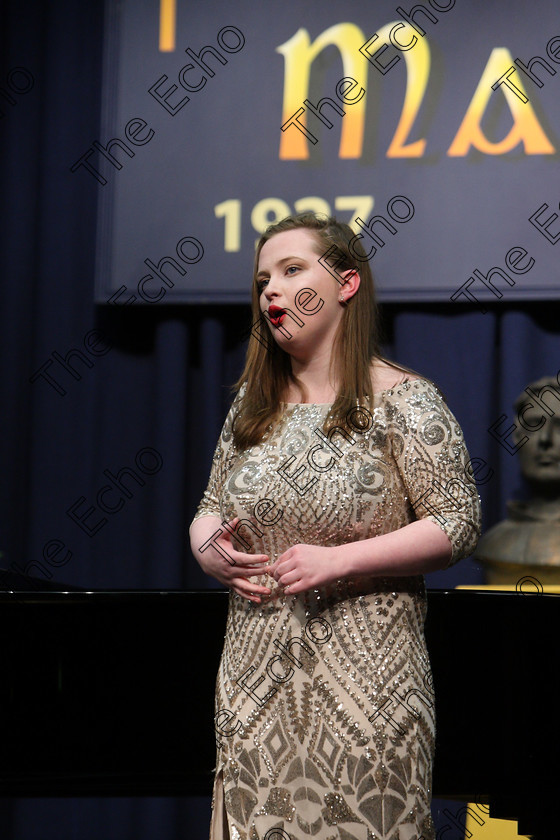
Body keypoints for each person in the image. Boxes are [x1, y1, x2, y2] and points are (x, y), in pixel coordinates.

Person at [189, 213, 481, 840]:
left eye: (292, 270)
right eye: (263, 277)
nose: (270, 289)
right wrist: (206, 543)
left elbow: (457, 523)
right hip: (255, 684)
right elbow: (212, 504)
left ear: (346, 284)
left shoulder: (405, 400)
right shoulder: (252, 405)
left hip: (369, 693)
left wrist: (339, 561)